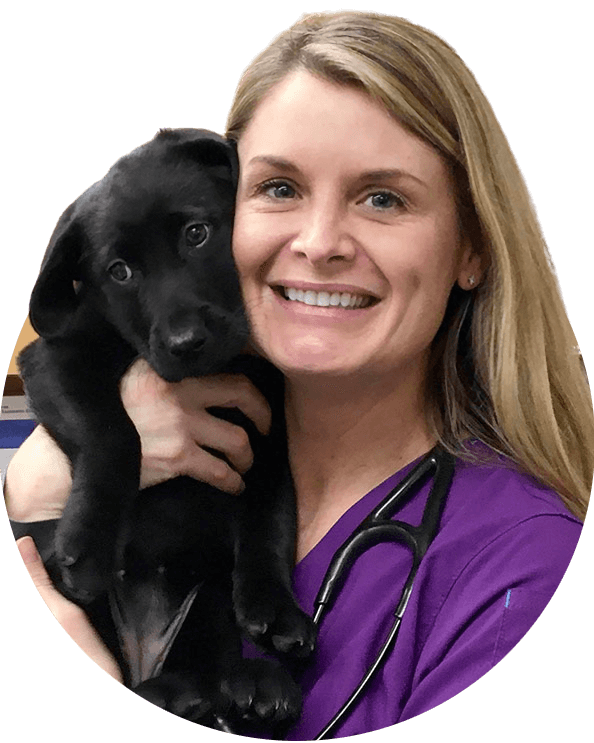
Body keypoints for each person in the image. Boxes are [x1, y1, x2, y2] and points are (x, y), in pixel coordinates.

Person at [5, 10, 591, 738]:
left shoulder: (517, 569)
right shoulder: (139, 452)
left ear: (471, 247)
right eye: (279, 188)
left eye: (384, 197)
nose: (318, 244)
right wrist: (46, 481)